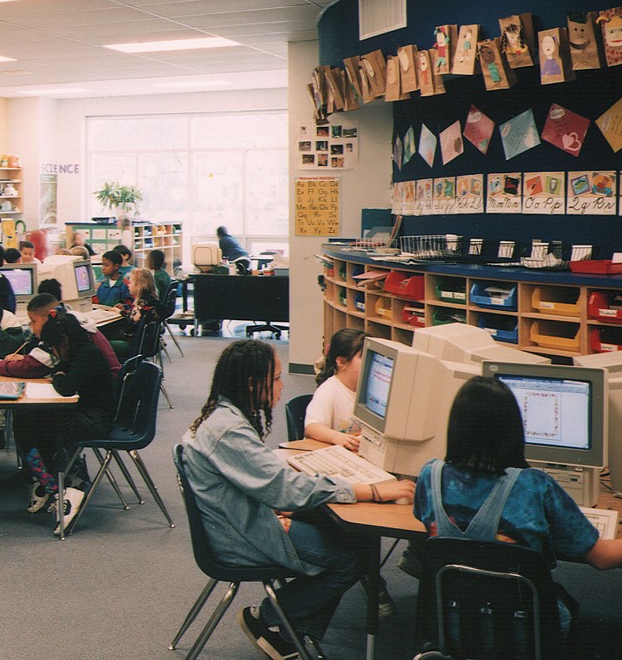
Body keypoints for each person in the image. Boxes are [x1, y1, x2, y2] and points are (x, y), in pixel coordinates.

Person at [181, 340, 413, 657]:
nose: (281, 384)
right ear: (252, 384)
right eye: (276, 377)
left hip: (241, 520)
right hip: (240, 536)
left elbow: (272, 482)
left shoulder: (223, 416)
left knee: (342, 530)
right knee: (350, 561)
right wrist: (369, 490)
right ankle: (270, 618)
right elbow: (285, 490)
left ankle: (291, 634)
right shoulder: (229, 430)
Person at [415, 377, 622, 638]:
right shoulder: (535, 486)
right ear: (513, 429)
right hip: (520, 631)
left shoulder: (430, 476)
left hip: (450, 623)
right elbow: (601, 557)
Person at [8, 308, 118, 534]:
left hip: (95, 421)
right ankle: (51, 483)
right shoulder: (80, 352)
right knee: (27, 421)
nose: (55, 353)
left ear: (65, 340)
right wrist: (59, 373)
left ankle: (55, 487)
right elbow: (60, 373)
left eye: (55, 347)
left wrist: (59, 375)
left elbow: (65, 385)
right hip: (85, 414)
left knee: (31, 425)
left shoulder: (88, 354)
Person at [0, 293, 120, 380]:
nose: (32, 327)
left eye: (34, 321)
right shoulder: (69, 317)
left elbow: (31, 368)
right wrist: (25, 358)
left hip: (100, 394)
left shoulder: (62, 330)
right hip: (105, 383)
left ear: (50, 315)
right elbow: (42, 360)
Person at [304, 328, 367, 449]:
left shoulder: (370, 391)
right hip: (332, 451)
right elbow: (312, 427)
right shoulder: (328, 391)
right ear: (342, 362)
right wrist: (337, 437)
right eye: (363, 357)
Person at [109, 267, 162, 359]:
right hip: (145, 343)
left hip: (133, 344)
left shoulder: (141, 303)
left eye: (131, 282)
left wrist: (121, 312)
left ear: (138, 286)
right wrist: (124, 310)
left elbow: (134, 319)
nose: (128, 285)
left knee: (100, 343)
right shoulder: (148, 301)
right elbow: (137, 315)